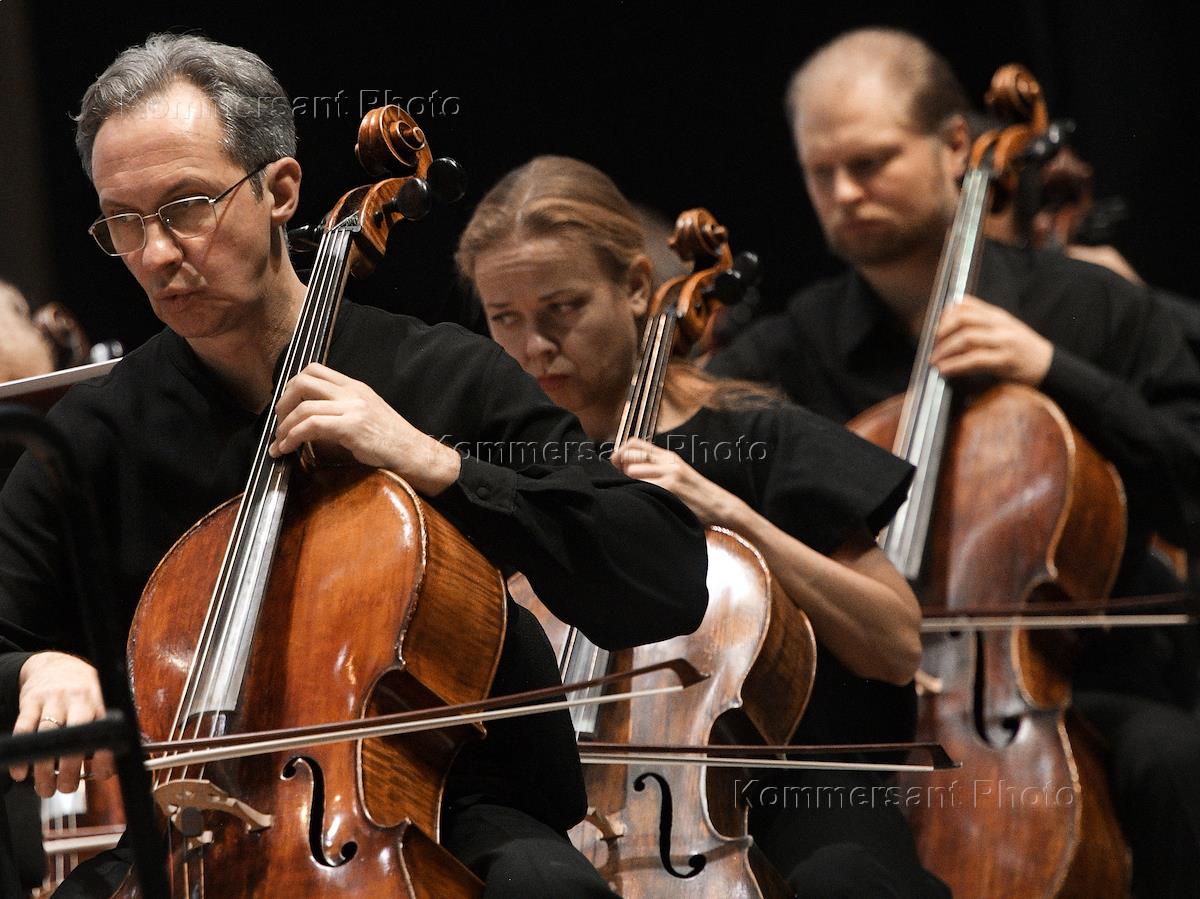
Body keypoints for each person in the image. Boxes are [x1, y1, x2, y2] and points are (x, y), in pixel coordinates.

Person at [0, 33, 711, 898]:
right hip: (194, 835)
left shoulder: (441, 376)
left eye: (186, 206)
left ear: (280, 190)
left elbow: (664, 575)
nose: (155, 254)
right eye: (124, 220)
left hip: (446, 811)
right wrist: (36, 667)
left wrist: (437, 465)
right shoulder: (97, 435)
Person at [709, 27, 1200, 897]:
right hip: (863, 705)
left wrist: (1054, 370)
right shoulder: (789, 351)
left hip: (1067, 685)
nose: (845, 192)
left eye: (870, 162)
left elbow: (1189, 472)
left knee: (1175, 761)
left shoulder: (1089, 307)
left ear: (955, 146)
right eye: (822, 173)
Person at [456, 154, 950, 898]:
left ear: (635, 286)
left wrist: (729, 513)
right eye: (505, 318)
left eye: (562, 309)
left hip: (788, 785)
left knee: (842, 879)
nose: (534, 347)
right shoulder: (499, 474)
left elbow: (896, 643)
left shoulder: (758, 441)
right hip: (570, 803)